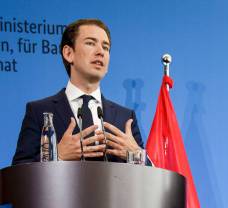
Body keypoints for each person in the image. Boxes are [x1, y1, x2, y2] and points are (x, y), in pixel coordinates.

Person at [12, 18, 144, 164]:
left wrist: (137, 156)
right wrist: (57, 156)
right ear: (68, 53)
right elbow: (18, 174)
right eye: (90, 43)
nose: (100, 52)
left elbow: (149, 177)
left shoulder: (125, 117)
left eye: (105, 47)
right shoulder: (38, 110)